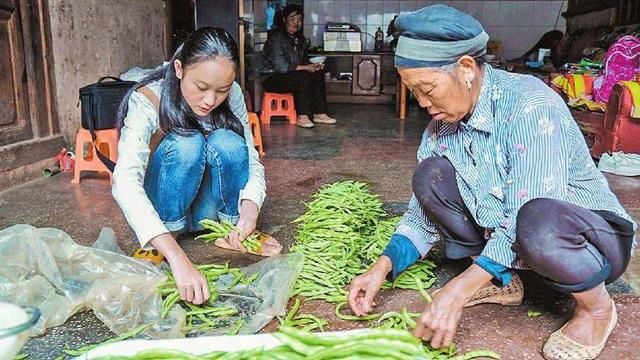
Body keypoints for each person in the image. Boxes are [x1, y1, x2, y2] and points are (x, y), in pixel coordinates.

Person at [346, 6, 636, 360]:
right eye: (413, 92)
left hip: (586, 241)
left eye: (428, 89)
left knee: (536, 220)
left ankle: (596, 310)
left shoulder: (529, 104)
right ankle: (503, 279)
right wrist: (383, 265)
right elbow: (421, 216)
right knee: (431, 175)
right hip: (522, 239)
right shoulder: (442, 128)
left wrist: (457, 290)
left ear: (466, 68)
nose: (423, 103)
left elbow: (525, 215)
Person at [112, 27, 282, 306]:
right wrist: (177, 258)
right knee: (185, 143)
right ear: (179, 69)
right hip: (166, 208)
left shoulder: (234, 95)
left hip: (207, 211)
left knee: (229, 141)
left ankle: (232, 232)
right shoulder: (147, 99)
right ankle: (166, 241)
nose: (210, 100)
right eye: (201, 88)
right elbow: (125, 181)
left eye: (222, 90)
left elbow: (250, 157)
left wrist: (249, 214)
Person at [260, 4, 336, 129]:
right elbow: (281, 67)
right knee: (303, 76)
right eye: (292, 19)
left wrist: (314, 65)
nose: (296, 23)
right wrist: (306, 68)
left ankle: (319, 113)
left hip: (290, 75)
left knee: (316, 73)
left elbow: (301, 60)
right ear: (284, 20)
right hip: (272, 78)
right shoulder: (276, 38)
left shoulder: (299, 39)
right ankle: (303, 116)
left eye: (299, 19)